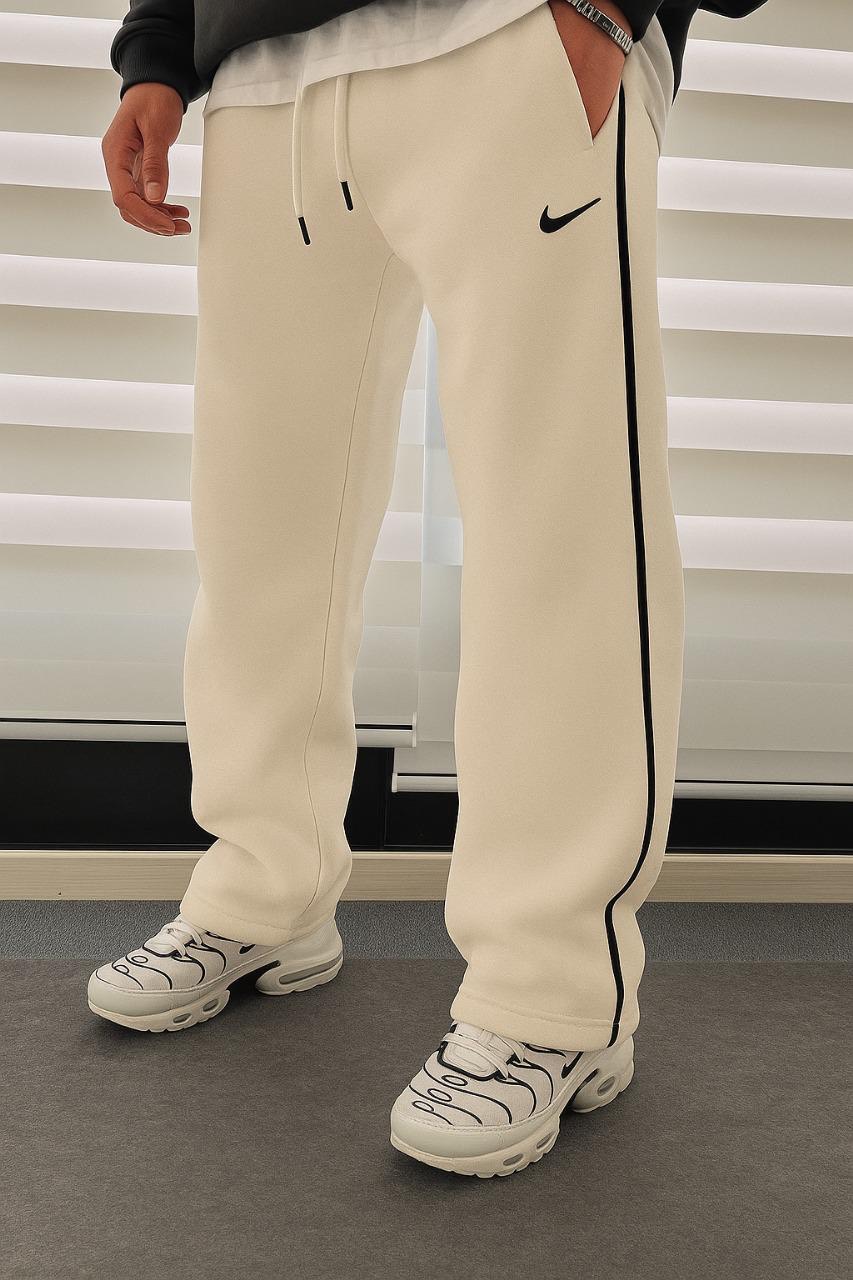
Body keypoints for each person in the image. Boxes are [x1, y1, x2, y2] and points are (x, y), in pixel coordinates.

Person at [94, 0, 768, 1178]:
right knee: (259, 532)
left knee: (555, 530)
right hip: (262, 76)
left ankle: (553, 992)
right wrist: (158, 47)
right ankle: (265, 889)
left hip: (508, 32)